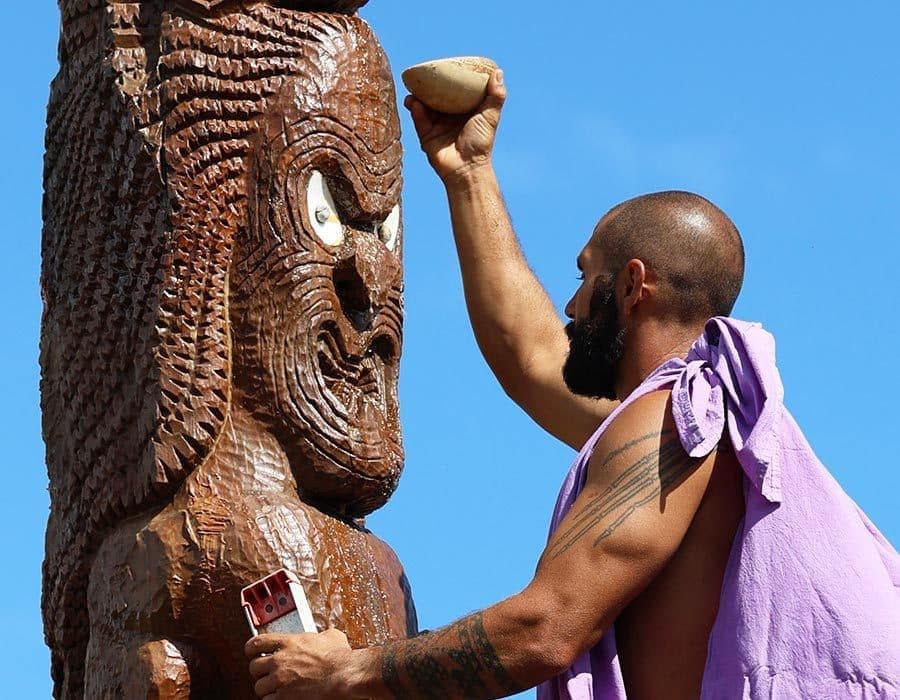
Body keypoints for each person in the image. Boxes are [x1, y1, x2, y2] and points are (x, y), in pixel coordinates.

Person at [246, 71, 900, 699]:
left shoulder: (676, 422)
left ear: (631, 286)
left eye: (586, 279)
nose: (569, 304)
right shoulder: (696, 423)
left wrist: (349, 673)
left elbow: (547, 628)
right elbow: (530, 353)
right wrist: (468, 172)